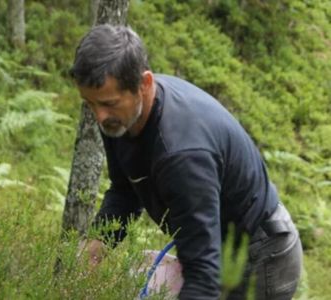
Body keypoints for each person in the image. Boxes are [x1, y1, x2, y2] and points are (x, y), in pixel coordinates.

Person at [69, 24, 303, 300]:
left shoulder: (182, 155)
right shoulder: (120, 116)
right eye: (90, 104)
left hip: (261, 255)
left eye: (108, 103)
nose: (99, 116)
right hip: (216, 243)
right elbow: (125, 189)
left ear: (144, 84)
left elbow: (203, 277)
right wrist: (99, 243)